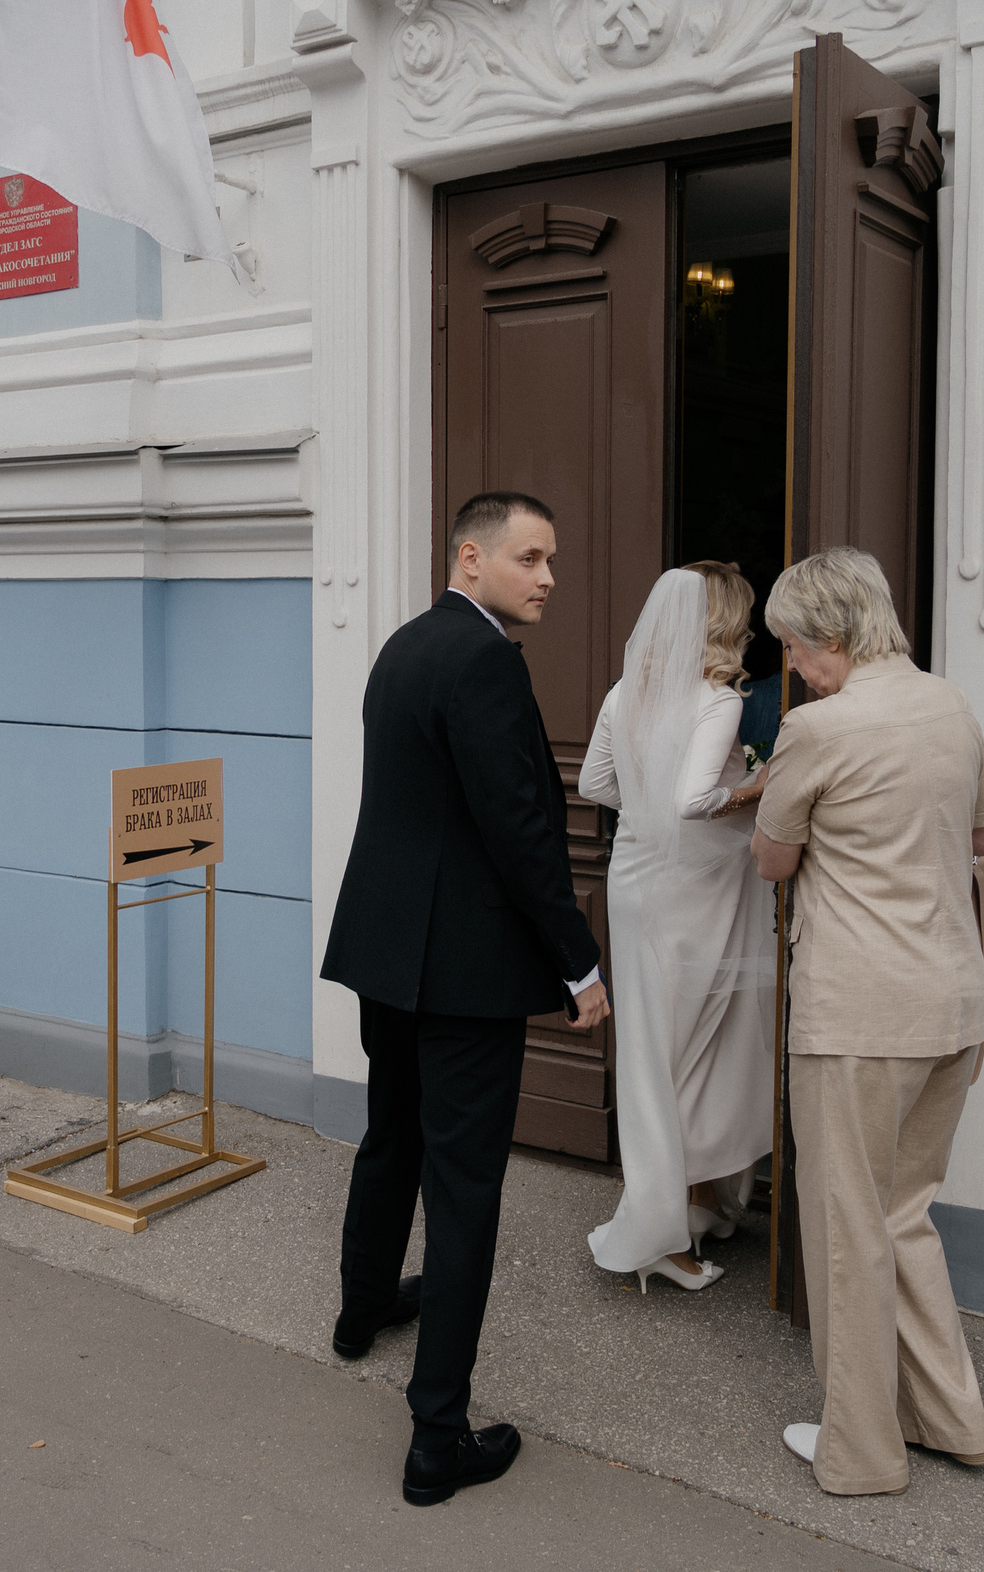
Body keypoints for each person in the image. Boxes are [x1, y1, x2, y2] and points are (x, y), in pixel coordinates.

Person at [321, 489, 610, 1507]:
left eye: (552, 559)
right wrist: (579, 962)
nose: (548, 577)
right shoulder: (483, 659)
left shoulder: (403, 644)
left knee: (390, 1137)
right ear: (471, 557)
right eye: (531, 557)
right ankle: (436, 1438)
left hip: (389, 952)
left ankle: (361, 1311)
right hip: (461, 972)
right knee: (463, 1193)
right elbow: (519, 827)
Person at [750, 546, 984, 1495]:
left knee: (848, 1229)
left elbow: (772, 861)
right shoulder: (951, 703)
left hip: (857, 1009)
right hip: (953, 1000)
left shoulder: (818, 728)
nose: (793, 667)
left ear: (832, 634)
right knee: (905, 1217)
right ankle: (951, 1418)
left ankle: (860, 1451)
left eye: (794, 647)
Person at [578, 563, 776, 1294]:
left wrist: (646, 802)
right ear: (724, 621)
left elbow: (594, 785)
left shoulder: (624, 692)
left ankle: (688, 1203)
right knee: (693, 1048)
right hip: (694, 891)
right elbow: (695, 800)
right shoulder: (716, 699)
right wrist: (754, 787)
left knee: (655, 1053)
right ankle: (661, 1232)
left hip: (634, 884)